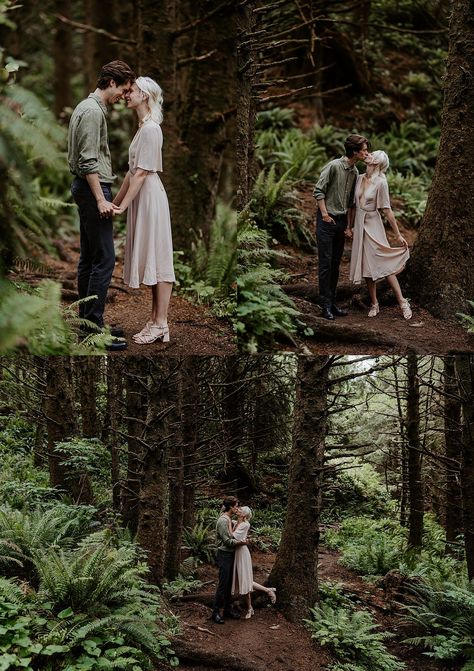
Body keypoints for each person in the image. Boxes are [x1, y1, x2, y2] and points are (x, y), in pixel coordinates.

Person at [68, 60, 135, 350]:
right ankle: (93, 330)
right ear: (110, 82)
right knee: (105, 258)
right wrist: (100, 199)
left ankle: (88, 324)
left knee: (90, 257)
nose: (124, 94)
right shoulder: (93, 112)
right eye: (123, 88)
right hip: (92, 188)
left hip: (86, 187)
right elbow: (87, 161)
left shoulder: (87, 107)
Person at [113, 77, 175, 344]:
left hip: (150, 198)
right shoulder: (143, 128)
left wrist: (122, 207)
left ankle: (161, 323)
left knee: (159, 258)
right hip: (142, 196)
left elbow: (141, 174)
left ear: (146, 96)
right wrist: (116, 202)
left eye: (133, 91)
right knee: (151, 257)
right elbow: (130, 173)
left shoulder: (151, 129)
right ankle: (154, 320)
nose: (127, 94)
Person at [348, 150, 412, 319]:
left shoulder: (381, 183)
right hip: (359, 224)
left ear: (376, 162)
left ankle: (402, 301)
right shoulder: (360, 177)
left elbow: (387, 210)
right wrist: (350, 226)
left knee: (384, 264)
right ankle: (374, 303)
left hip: (373, 224)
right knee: (367, 266)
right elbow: (353, 206)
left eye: (371, 155)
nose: (367, 154)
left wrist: (398, 235)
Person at [313, 134, 369, 320]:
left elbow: (351, 203)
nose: (366, 153)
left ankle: (332, 302)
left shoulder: (354, 173)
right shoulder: (334, 166)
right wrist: (325, 215)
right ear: (355, 152)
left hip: (341, 222)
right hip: (326, 221)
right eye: (364, 150)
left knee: (336, 264)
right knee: (325, 264)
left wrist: (349, 225)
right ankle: (324, 305)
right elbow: (318, 191)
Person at [230, 506, 277, 619]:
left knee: (245, 581)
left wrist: (228, 526)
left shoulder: (245, 525)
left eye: (241, 510)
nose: (238, 510)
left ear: (244, 515)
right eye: (239, 508)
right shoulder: (236, 522)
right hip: (236, 553)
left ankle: (250, 608)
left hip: (242, 554)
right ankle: (267, 590)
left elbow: (233, 536)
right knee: (244, 580)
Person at [211, 496, 246, 624]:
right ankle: (215, 612)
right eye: (236, 505)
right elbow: (227, 541)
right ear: (230, 506)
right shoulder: (223, 521)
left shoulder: (229, 519)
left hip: (230, 554)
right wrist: (242, 542)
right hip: (224, 554)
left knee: (229, 584)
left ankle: (227, 609)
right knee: (222, 584)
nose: (237, 508)